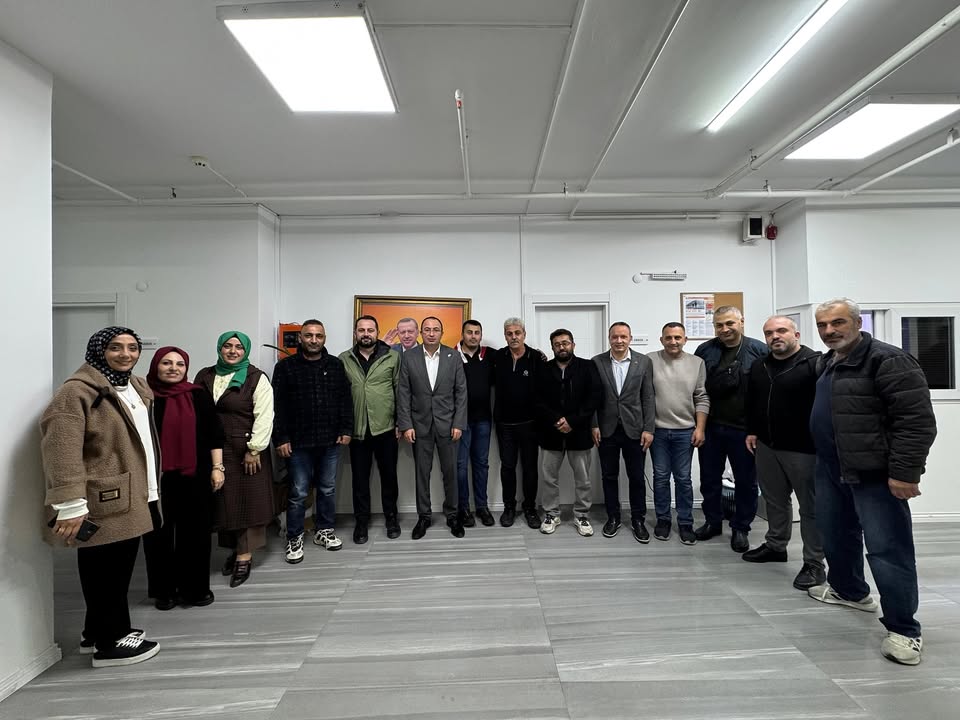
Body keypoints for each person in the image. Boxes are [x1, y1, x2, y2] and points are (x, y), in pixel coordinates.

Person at [808, 298, 936, 666]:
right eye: (823, 325)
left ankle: (904, 629)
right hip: (831, 468)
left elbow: (916, 421)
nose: (829, 330)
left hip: (875, 474)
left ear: (857, 322)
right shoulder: (828, 361)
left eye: (837, 322)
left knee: (887, 548)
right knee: (836, 534)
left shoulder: (888, 360)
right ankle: (850, 591)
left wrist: (905, 473)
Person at [40, 326, 161, 667]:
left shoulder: (135, 386)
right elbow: (61, 450)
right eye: (115, 347)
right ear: (98, 351)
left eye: (132, 348)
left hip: (133, 491)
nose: (126, 354)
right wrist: (70, 504)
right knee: (105, 571)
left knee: (115, 569)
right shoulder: (76, 392)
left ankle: (97, 632)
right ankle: (110, 644)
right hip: (102, 497)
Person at [744, 316, 825, 590]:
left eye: (781, 331)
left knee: (811, 507)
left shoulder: (815, 364)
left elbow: (827, 407)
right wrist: (753, 430)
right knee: (774, 500)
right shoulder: (760, 365)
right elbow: (754, 401)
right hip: (767, 446)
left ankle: (814, 563)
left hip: (804, 449)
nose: (775, 336)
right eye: (769, 333)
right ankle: (776, 546)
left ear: (796, 334)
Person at [143, 346, 225, 610]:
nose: (173, 368)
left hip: (196, 475)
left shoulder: (198, 394)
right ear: (156, 366)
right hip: (157, 477)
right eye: (166, 363)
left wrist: (217, 468)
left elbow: (214, 434)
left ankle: (196, 589)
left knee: (196, 534)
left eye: (179, 364)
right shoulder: (145, 397)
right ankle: (164, 591)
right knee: (159, 535)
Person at [194, 331, 275, 588]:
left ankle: (244, 556)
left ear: (245, 350)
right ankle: (233, 549)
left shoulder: (256, 378)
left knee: (248, 502)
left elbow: (264, 416)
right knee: (224, 502)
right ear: (220, 348)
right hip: (214, 450)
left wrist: (255, 450)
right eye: (227, 346)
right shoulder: (205, 376)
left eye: (239, 347)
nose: (233, 351)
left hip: (245, 450)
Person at [273, 320, 353, 563]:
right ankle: (294, 536)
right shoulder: (285, 367)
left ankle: (324, 531)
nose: (314, 340)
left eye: (318, 335)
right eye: (309, 335)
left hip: (330, 440)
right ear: (301, 338)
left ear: (324, 338)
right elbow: (278, 406)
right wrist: (281, 438)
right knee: (298, 491)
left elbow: (345, 400)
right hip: (298, 442)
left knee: (327, 488)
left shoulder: (335, 365)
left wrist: (346, 428)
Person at [694, 306, 768, 552]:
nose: (724, 329)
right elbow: (698, 389)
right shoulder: (704, 351)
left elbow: (765, 392)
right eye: (719, 325)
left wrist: (757, 429)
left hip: (744, 430)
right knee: (709, 479)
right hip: (712, 427)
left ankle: (741, 528)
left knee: (746, 481)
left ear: (741, 322)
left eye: (729, 323)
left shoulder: (759, 350)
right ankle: (713, 522)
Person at [397, 316, 468, 539]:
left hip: (448, 426)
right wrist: (406, 425)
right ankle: (424, 517)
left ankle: (453, 515)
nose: (431, 333)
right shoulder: (409, 357)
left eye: (435, 329)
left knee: (450, 473)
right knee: (422, 473)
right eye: (427, 329)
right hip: (419, 426)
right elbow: (403, 393)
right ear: (421, 333)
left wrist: (459, 423)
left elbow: (461, 392)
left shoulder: (453, 357)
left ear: (441, 333)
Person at [591, 322, 656, 543]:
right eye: (615, 337)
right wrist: (594, 424)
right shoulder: (597, 362)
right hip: (606, 429)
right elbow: (593, 398)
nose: (619, 341)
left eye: (623, 337)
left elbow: (648, 397)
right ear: (609, 338)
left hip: (635, 430)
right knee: (609, 476)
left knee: (636, 477)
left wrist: (649, 428)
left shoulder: (643, 362)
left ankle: (638, 520)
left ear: (630, 338)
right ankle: (613, 517)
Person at [340, 315, 402, 542]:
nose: (366, 334)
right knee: (359, 479)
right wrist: (343, 428)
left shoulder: (392, 357)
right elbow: (340, 396)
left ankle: (391, 518)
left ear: (377, 332)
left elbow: (400, 390)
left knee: (389, 477)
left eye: (370, 330)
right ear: (355, 333)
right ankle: (361, 523)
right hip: (357, 431)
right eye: (361, 330)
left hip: (386, 428)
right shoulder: (344, 359)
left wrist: (400, 422)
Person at [536, 329, 602, 537]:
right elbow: (537, 399)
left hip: (579, 432)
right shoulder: (544, 369)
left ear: (573, 345)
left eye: (565, 343)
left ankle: (581, 515)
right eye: (557, 344)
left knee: (583, 479)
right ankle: (551, 514)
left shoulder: (587, 366)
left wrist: (572, 421)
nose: (561, 347)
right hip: (550, 432)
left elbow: (594, 397)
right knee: (549, 478)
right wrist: (557, 420)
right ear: (552, 347)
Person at [648, 322, 708, 545]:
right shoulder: (650, 360)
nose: (673, 341)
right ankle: (663, 520)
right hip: (658, 431)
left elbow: (701, 396)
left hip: (685, 431)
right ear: (661, 339)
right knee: (661, 477)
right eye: (668, 337)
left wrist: (700, 428)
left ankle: (685, 523)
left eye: (677, 337)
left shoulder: (697, 363)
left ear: (685, 339)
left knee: (683, 479)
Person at [493, 317, 544, 529]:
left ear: (524, 334)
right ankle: (509, 508)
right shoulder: (497, 357)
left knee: (530, 468)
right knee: (507, 467)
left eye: (517, 333)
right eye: (509, 333)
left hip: (530, 424)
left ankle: (530, 508)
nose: (514, 337)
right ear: (505, 336)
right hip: (504, 425)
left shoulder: (536, 358)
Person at [455, 320, 496, 527]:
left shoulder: (490, 355)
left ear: (481, 335)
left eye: (477, 333)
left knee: (481, 465)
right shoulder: (451, 355)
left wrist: (539, 354)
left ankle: (482, 507)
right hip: (459, 422)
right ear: (462, 334)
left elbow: (515, 354)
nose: (473, 336)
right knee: (460, 467)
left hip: (483, 420)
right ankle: (463, 508)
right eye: (469, 332)